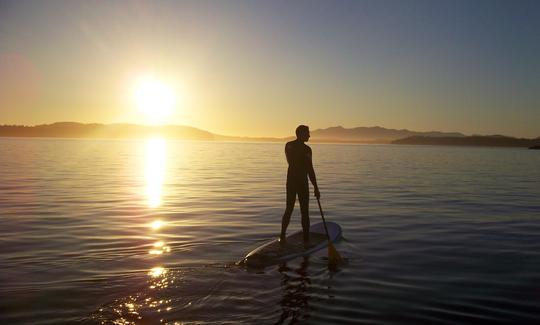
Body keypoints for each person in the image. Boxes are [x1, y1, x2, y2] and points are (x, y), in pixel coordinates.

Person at [279, 125, 320, 245]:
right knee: (289, 208)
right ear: (300, 134)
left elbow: (310, 169)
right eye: (307, 133)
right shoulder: (290, 145)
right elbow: (292, 162)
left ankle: (306, 239)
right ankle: (282, 236)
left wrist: (316, 187)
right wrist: (304, 159)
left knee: (304, 211)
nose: (309, 135)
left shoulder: (307, 149)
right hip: (293, 182)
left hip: (302, 182)